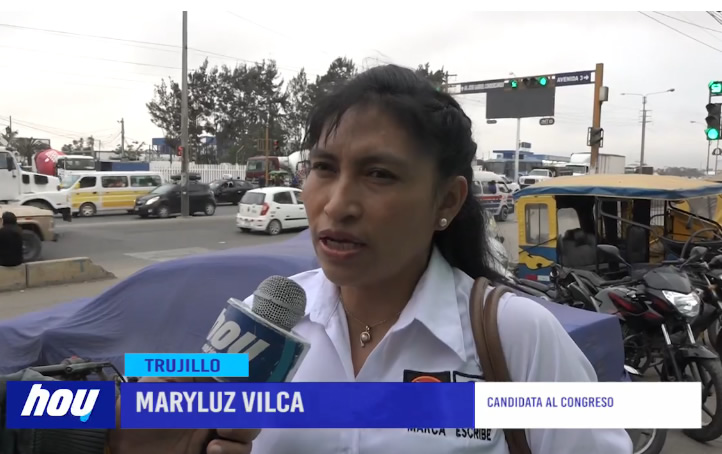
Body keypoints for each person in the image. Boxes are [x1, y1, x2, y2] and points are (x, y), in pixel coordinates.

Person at [1, 65, 634, 454]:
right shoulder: (260, 322)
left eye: (380, 175)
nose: (336, 204)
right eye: (323, 168)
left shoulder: (516, 337)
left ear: (447, 200)